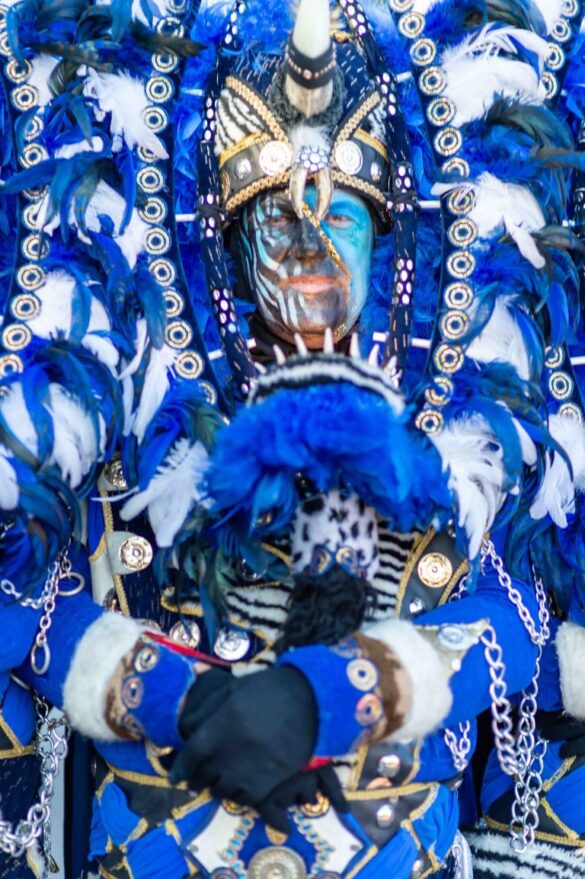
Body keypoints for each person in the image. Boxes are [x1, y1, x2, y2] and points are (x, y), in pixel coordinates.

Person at [0, 0, 584, 877]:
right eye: (274, 222)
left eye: (340, 219)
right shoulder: (131, 417)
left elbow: (523, 618)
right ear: (229, 249)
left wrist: (333, 698)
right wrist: (179, 699)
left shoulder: (469, 436)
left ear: (384, 242)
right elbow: (28, 608)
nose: (310, 247)